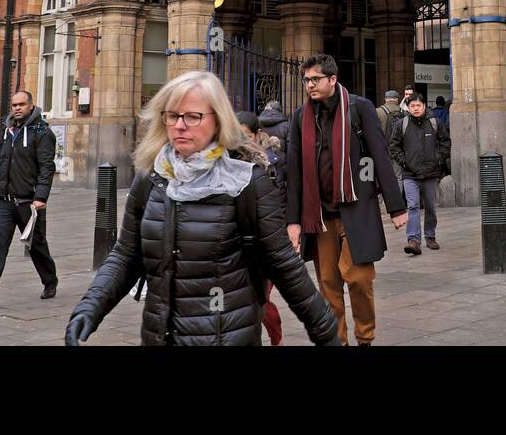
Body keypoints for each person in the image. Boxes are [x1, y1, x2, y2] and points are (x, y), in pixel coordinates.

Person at [66, 71, 339, 347]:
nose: (180, 126)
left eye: (192, 116)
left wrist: (327, 335)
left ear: (218, 122)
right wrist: (90, 308)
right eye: (172, 116)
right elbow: (126, 255)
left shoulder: (246, 183)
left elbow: (285, 267)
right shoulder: (150, 179)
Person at [286, 54, 407, 346]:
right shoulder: (301, 117)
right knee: (328, 285)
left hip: (358, 209)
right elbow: (294, 172)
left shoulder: (359, 108)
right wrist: (293, 221)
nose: (310, 85)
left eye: (315, 79)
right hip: (321, 216)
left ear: (332, 79)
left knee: (359, 279)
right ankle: (337, 341)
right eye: (306, 80)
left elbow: (380, 155)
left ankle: (364, 338)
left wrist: (397, 207)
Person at [0, 90, 58, 311]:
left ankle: (49, 280)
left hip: (28, 202)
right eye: (14, 104)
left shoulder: (42, 132)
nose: (17, 108)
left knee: (36, 246)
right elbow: (0, 160)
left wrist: (41, 197)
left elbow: (47, 167)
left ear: (31, 106)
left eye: (22, 104)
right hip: (3, 202)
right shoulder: (7, 130)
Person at [238, 109, 286, 346]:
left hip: (266, 242)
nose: (240, 142)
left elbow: (282, 199)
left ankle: (276, 339)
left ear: (257, 135)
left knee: (261, 298)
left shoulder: (273, 162)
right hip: (238, 243)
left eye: (245, 136)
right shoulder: (227, 162)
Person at [389, 93, 451, 254]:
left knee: (430, 207)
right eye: (412, 106)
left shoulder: (435, 123)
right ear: (408, 108)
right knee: (413, 206)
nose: (415, 109)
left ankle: (430, 236)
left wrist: (439, 159)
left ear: (424, 105)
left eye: (418, 105)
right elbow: (394, 147)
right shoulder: (401, 124)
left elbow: (445, 142)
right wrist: (404, 162)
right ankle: (414, 240)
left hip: (431, 173)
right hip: (410, 174)